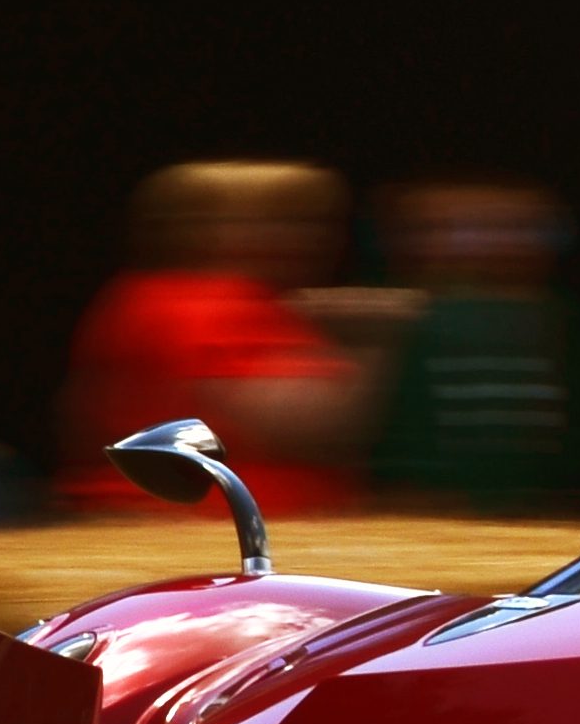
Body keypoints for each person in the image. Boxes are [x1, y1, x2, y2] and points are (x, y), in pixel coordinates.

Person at [59, 161, 369, 517]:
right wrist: (374, 342)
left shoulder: (145, 296)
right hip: (208, 536)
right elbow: (296, 421)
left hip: (214, 527)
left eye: (313, 222)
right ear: (205, 227)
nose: (307, 239)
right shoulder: (198, 302)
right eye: (278, 220)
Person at [371, 179, 580, 511]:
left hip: (542, 506)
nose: (489, 244)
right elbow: (398, 419)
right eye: (460, 229)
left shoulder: (561, 320)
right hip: (425, 509)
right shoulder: (403, 315)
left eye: (515, 229)